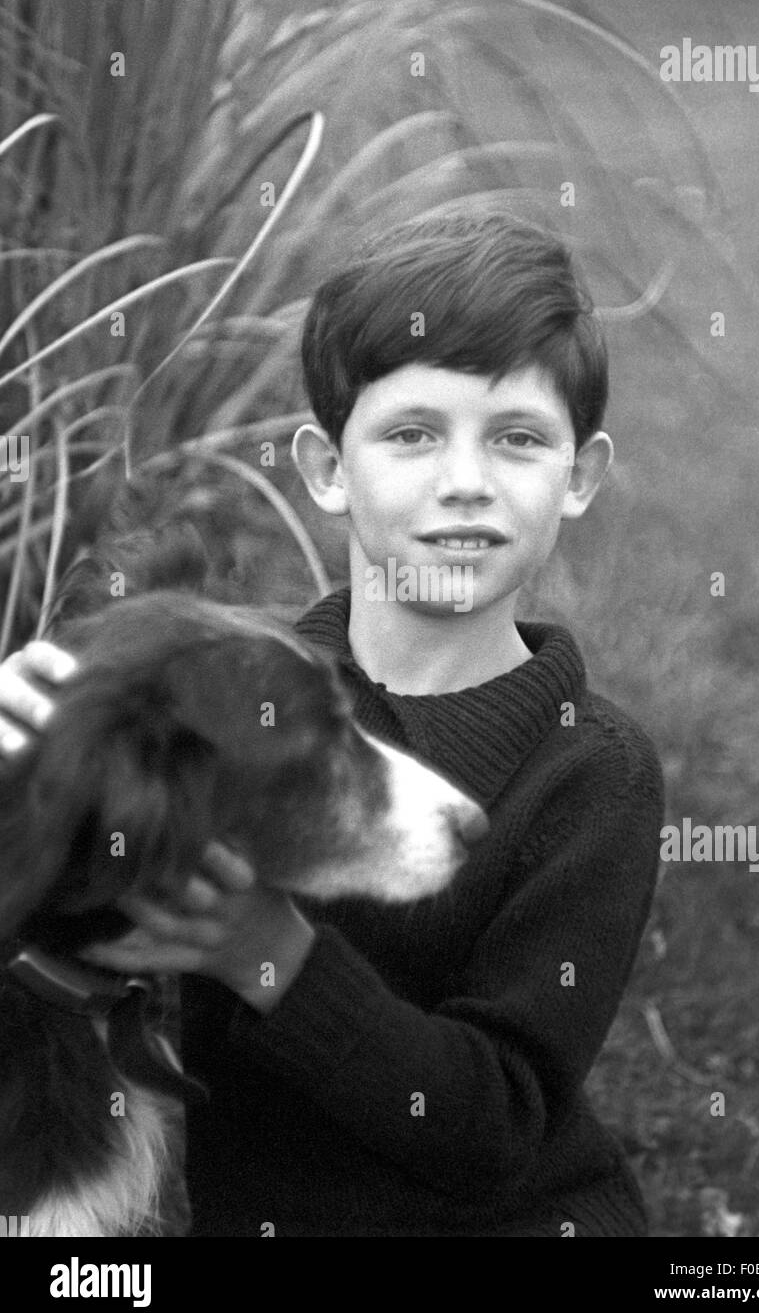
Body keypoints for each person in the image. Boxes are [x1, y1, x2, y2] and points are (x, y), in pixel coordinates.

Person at [0, 208, 664, 1237]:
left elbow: (495, 1128)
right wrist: (32, 744)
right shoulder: (218, 693)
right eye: (410, 433)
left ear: (578, 476)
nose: (463, 481)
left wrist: (269, 956)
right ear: (323, 468)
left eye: (518, 439)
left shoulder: (594, 774)